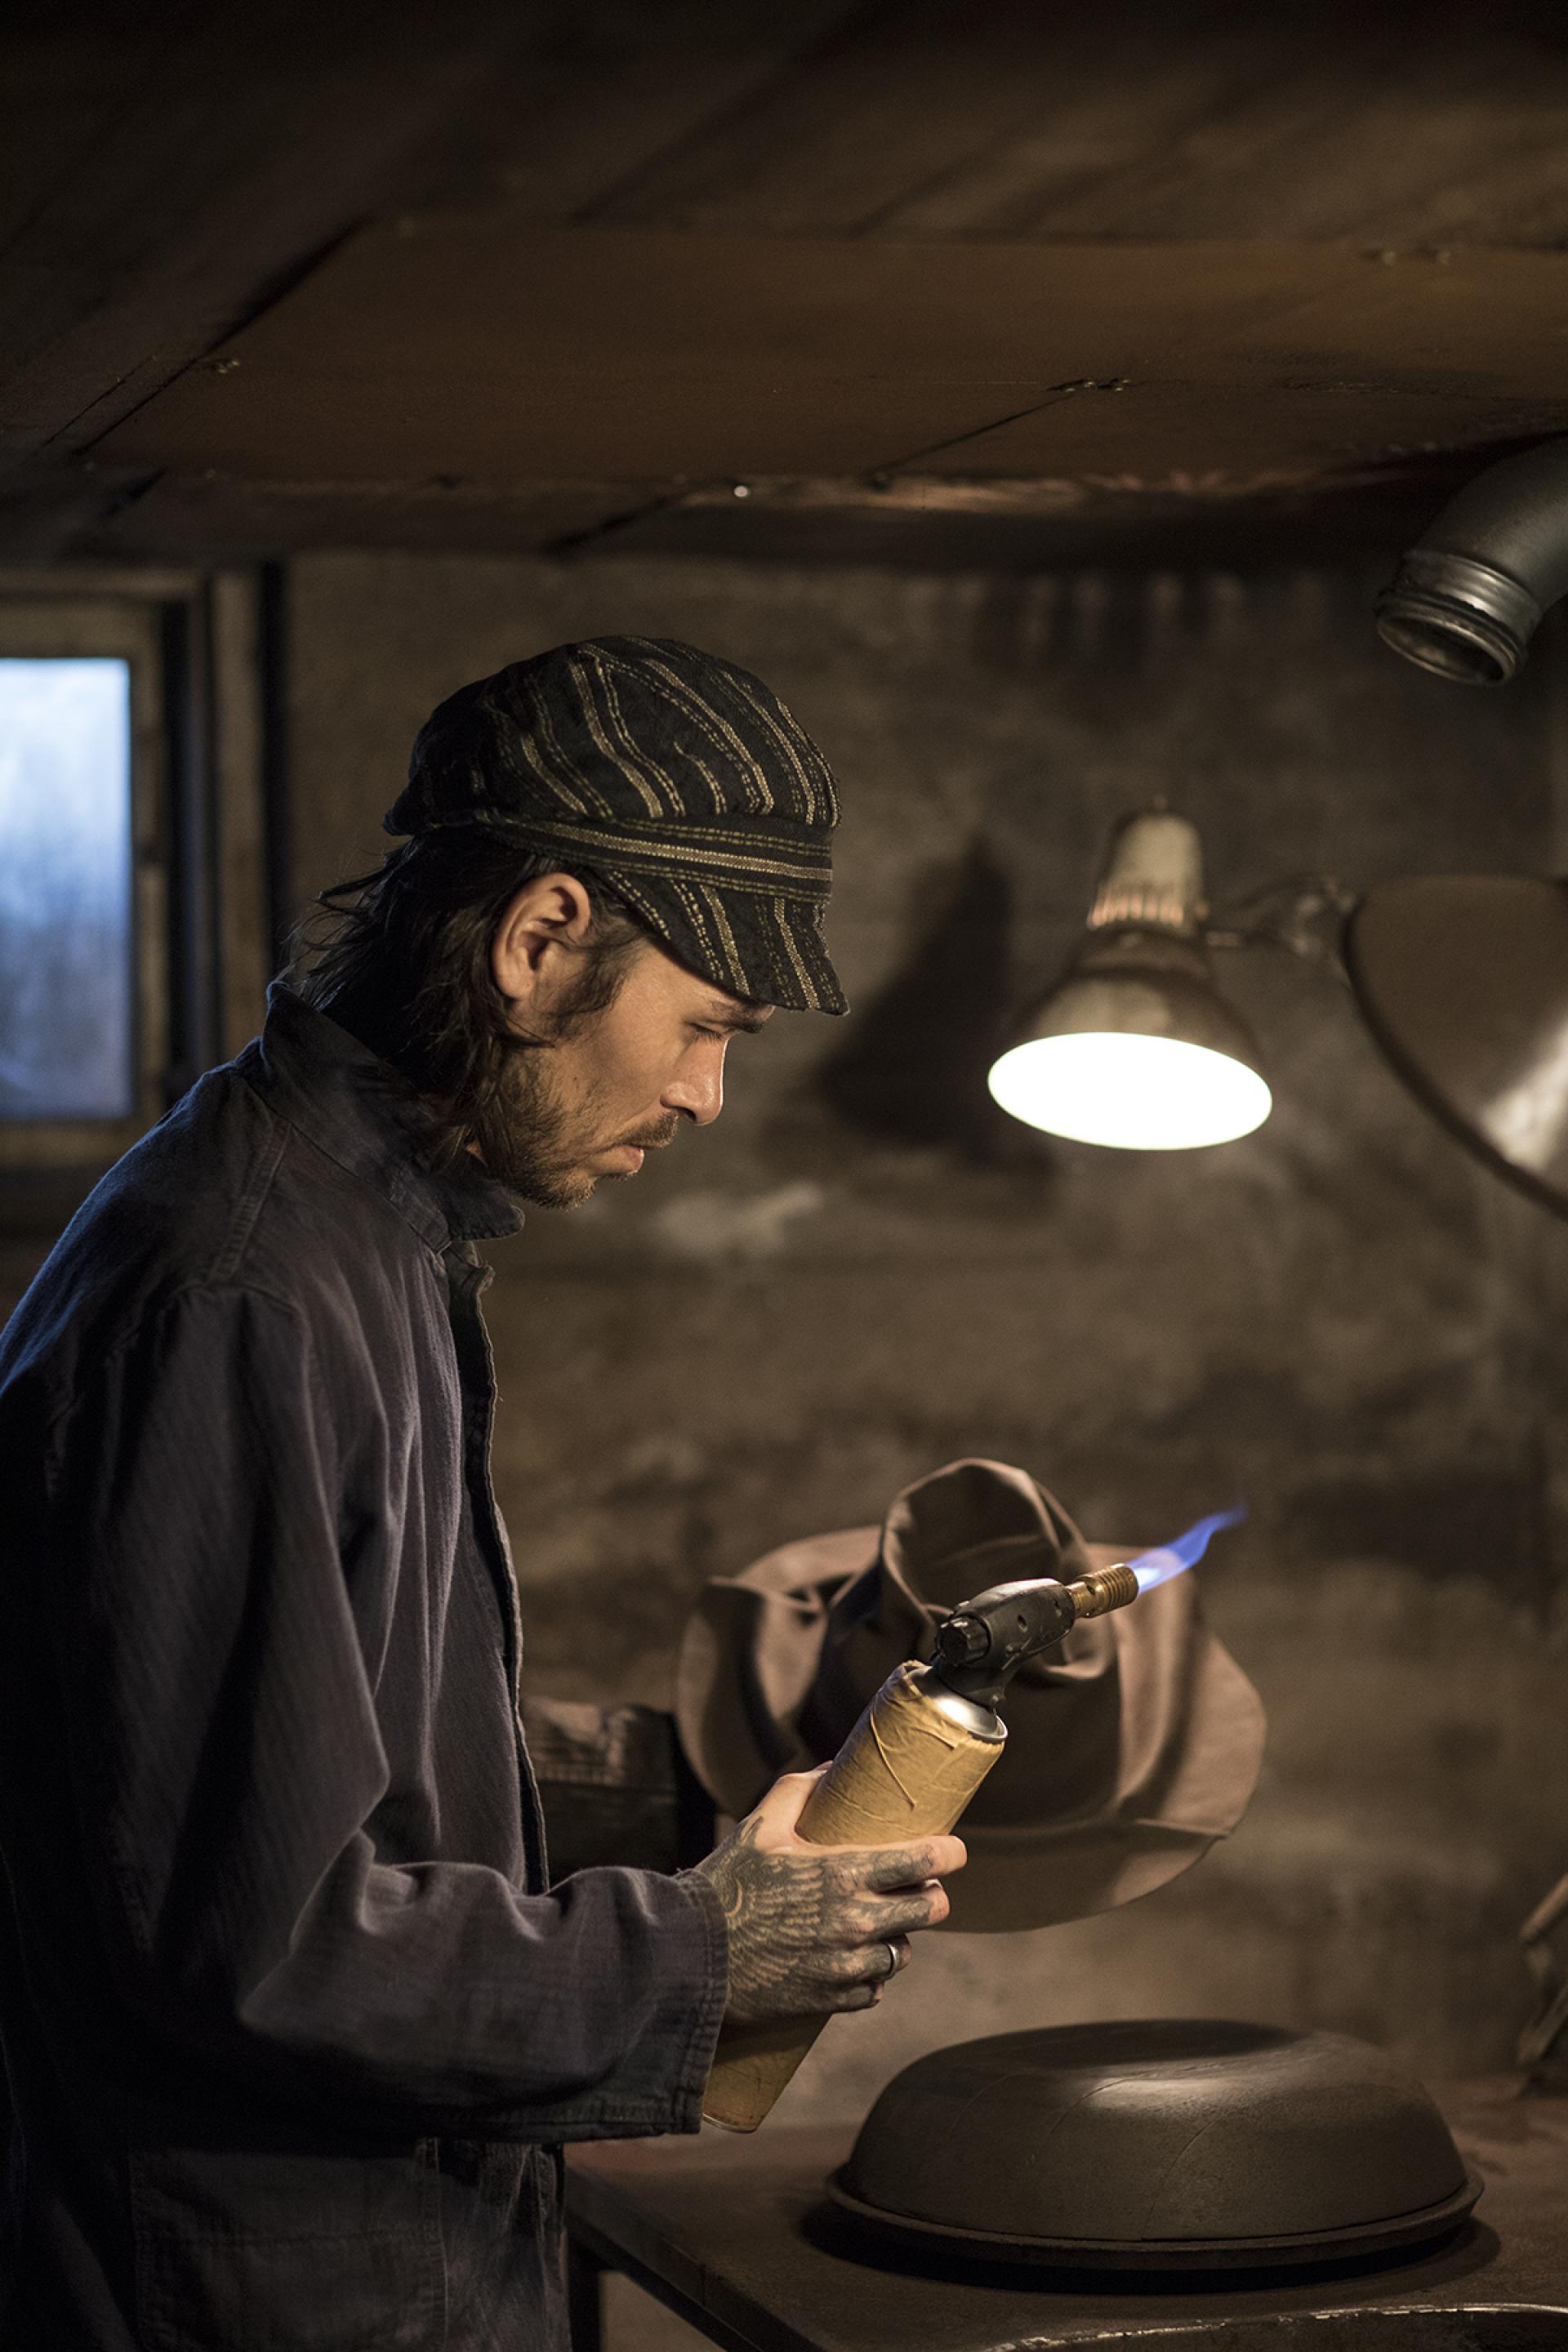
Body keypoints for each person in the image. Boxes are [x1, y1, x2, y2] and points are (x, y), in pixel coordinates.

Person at [0, 638, 966, 2351]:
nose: (705, 1095)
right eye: (701, 1028)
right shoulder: (246, 1289)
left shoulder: (371, 1233)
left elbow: (325, 1756)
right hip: (244, 2299)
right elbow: (265, 1933)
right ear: (538, 943)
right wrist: (697, 1961)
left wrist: (714, 1765)